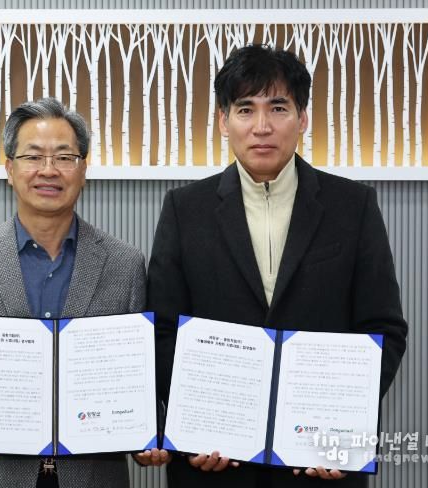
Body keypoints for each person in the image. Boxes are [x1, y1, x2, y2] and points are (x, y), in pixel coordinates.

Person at [148, 45, 408, 488]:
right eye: (245, 109)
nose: (262, 126)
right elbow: (162, 329)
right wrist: (195, 427)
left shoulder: (353, 206)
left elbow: (382, 329)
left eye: (278, 108)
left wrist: (344, 427)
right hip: (214, 466)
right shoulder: (184, 209)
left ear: (302, 119)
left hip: (319, 466)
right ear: (223, 121)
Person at [0, 97, 164, 488]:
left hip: (93, 477)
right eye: (33, 157)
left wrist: (147, 430)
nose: (48, 170)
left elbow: (141, 373)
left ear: (83, 169)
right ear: (9, 169)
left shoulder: (125, 263)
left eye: (64, 157)